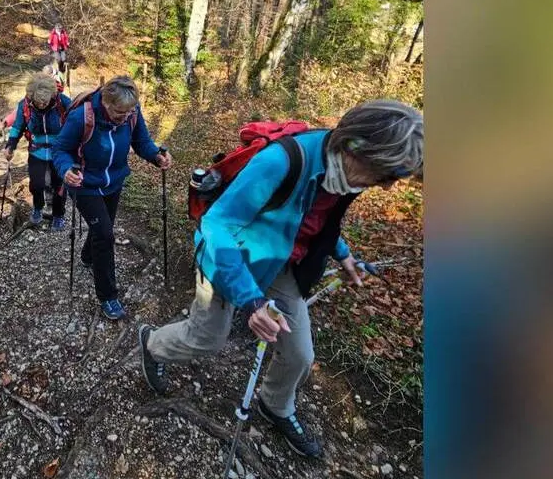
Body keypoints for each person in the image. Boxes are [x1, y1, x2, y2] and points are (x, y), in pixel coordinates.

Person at [136, 99, 423, 459]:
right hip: (234, 258)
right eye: (384, 176)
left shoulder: (345, 173)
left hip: (285, 262)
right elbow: (216, 224)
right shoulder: (282, 162)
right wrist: (251, 300)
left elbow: (315, 218)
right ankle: (152, 344)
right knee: (207, 340)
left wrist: (343, 253)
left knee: (300, 353)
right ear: (356, 147)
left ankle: (275, 405)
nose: (384, 187)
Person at [53, 75, 173, 320]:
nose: (124, 118)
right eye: (119, 113)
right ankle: (108, 295)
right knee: (106, 234)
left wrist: (155, 156)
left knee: (102, 229)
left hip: (114, 182)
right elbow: (60, 149)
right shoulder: (82, 117)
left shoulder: (132, 112)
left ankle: (87, 257)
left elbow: (141, 142)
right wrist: (66, 170)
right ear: (105, 103)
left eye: (128, 113)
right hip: (85, 184)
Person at [4, 74, 72, 229]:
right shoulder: (25, 105)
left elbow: (76, 121)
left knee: (59, 185)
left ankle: (58, 214)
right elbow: (17, 127)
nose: (42, 105)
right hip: (36, 151)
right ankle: (37, 207)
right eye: (38, 102)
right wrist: (10, 146)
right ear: (31, 96)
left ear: (53, 95)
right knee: (37, 184)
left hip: (59, 152)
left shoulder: (63, 102)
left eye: (45, 102)